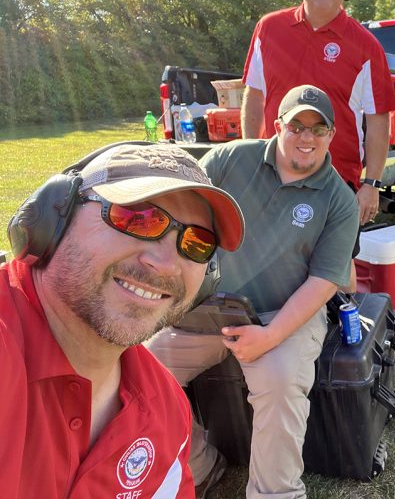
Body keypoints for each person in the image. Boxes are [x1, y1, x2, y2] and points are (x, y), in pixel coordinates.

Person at [147, 85, 359, 498]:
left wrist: (271, 336)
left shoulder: (339, 200)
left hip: (285, 314)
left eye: (318, 129)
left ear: (331, 135)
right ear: (278, 126)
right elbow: (184, 208)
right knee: (147, 370)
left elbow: (324, 281)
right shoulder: (230, 159)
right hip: (211, 308)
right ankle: (201, 464)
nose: (307, 137)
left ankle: (275, 493)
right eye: (296, 126)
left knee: (279, 382)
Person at [0, 142, 245, 497]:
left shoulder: (167, 410)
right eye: (137, 218)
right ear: (54, 219)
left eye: (196, 243)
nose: (165, 265)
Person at [240, 0, 395, 281]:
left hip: (337, 182)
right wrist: (251, 157)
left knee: (337, 270)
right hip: (273, 176)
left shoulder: (366, 46)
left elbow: (378, 119)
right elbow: (254, 97)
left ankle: (345, 318)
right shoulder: (269, 29)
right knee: (272, 267)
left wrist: (371, 183)